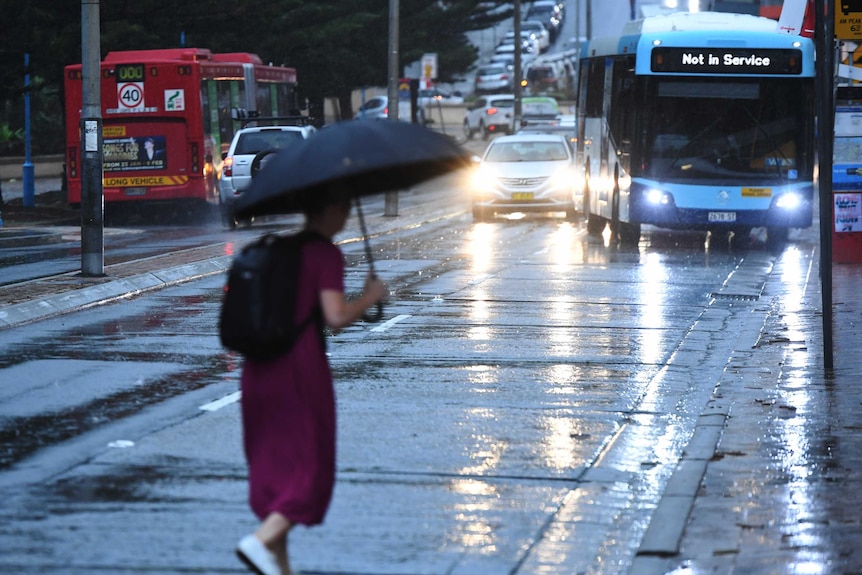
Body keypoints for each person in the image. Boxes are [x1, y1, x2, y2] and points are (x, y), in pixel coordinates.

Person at [235, 188, 387, 575]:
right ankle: (260, 541)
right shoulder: (324, 253)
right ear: (332, 209)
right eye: (346, 208)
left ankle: (279, 567)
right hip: (298, 372)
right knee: (310, 463)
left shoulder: (278, 248)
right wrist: (371, 297)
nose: (347, 216)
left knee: (273, 466)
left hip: (257, 370)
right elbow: (334, 316)